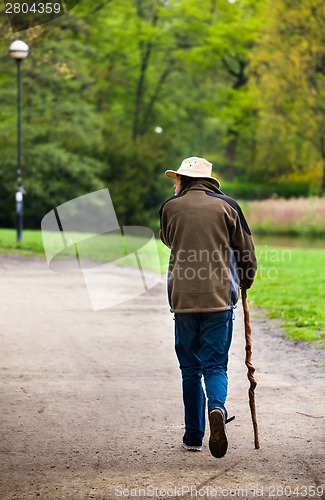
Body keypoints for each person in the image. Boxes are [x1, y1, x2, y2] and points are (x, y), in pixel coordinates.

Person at [159, 157, 257, 458]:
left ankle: (193, 436)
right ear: (209, 181)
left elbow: (167, 239)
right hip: (218, 299)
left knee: (189, 368)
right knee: (214, 365)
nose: (174, 184)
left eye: (177, 179)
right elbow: (246, 251)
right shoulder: (229, 206)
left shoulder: (169, 207)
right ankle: (217, 406)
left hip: (183, 299)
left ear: (184, 181)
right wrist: (246, 280)